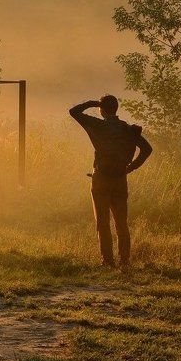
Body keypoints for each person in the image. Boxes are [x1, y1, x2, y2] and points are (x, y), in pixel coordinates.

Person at [70, 95, 152, 269]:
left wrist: (91, 103)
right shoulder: (128, 129)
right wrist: (131, 167)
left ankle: (107, 261)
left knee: (102, 222)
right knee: (121, 223)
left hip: (101, 178)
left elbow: (73, 112)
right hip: (120, 179)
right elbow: (147, 149)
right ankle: (124, 261)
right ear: (116, 108)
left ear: (102, 109)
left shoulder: (97, 125)